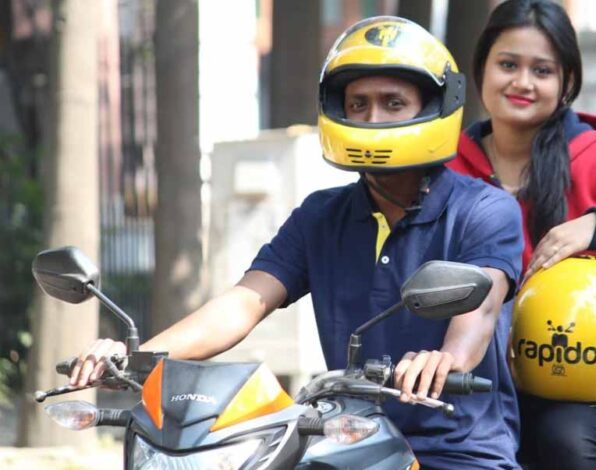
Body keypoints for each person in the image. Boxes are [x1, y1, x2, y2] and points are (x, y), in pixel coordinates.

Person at [70, 17, 523, 470]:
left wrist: (444, 360)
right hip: (348, 441)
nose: (372, 119)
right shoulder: (321, 216)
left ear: (434, 106)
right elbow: (243, 304)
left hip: (459, 450)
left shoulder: (484, 210)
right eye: (358, 104)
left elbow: (479, 311)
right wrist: (137, 357)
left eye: (393, 103)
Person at [446, 1, 596, 469]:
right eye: (507, 65)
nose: (522, 82)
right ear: (481, 70)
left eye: (542, 70)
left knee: (563, 441)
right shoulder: (445, 168)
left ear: (567, 82)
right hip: (466, 372)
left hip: (575, 381)